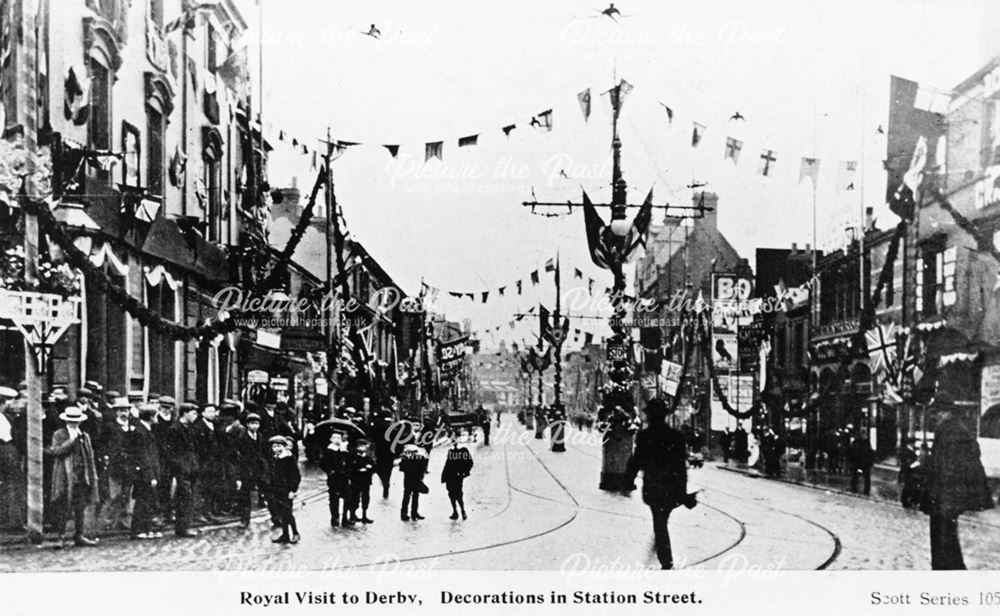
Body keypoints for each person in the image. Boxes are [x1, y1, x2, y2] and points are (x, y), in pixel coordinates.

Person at [920, 391, 994, 570]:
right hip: (949, 496)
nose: (935, 416)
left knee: (942, 538)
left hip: (946, 495)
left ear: (946, 412)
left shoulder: (949, 431)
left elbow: (947, 467)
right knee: (946, 537)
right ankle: (950, 569)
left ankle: (947, 572)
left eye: (937, 412)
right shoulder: (957, 429)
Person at [624, 399, 696, 570]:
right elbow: (681, 466)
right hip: (671, 487)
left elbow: (636, 460)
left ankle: (666, 559)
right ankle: (663, 552)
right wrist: (683, 491)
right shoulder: (676, 437)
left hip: (654, 487)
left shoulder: (644, 436)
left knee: (660, 522)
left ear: (649, 416)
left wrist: (629, 479)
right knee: (661, 521)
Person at [47, 406, 99, 548]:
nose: (74, 424)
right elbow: (57, 451)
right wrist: (71, 441)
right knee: (62, 506)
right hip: (65, 475)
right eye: (71, 421)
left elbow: (89, 457)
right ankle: (61, 537)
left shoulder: (84, 436)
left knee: (80, 507)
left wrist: (91, 476)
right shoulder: (59, 434)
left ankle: (79, 535)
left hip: (82, 475)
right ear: (66, 421)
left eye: (76, 421)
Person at [97, 397, 135, 531]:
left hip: (130, 465)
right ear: (116, 412)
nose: (124, 414)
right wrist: (105, 456)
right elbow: (101, 444)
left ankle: (125, 521)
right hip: (115, 466)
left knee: (128, 493)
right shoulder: (110, 427)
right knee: (115, 495)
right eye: (121, 411)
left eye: (126, 411)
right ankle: (108, 521)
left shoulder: (133, 426)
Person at [165, 402, 200, 538]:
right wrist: (179, 466)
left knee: (189, 497)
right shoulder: (174, 429)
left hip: (191, 467)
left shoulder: (190, 428)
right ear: (185, 413)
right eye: (193, 413)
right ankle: (182, 528)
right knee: (184, 498)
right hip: (182, 469)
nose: (195, 416)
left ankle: (185, 526)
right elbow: (171, 452)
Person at [130, 404, 163, 540]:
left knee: (148, 501)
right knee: (143, 502)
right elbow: (143, 456)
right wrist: (151, 475)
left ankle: (147, 528)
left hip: (150, 472)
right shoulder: (140, 432)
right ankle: (138, 530)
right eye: (155, 415)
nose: (157, 418)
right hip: (144, 474)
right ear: (150, 417)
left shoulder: (146, 430)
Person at [266, 436, 300, 544]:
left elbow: (296, 476)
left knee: (287, 512)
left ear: (284, 447)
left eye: (279, 446)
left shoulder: (289, 458)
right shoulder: (275, 458)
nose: (276, 448)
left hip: (287, 490)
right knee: (281, 512)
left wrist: (293, 490)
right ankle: (285, 534)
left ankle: (295, 533)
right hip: (277, 490)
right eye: (274, 446)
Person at [192, 403, 223, 522]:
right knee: (201, 488)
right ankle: (198, 513)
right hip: (203, 462)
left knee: (211, 487)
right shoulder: (198, 427)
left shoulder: (215, 425)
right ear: (203, 413)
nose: (212, 414)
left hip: (214, 462)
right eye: (209, 411)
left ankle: (208, 511)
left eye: (213, 411)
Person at [319, 431, 353, 527]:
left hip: (344, 477)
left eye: (338, 437)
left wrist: (348, 472)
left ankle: (345, 516)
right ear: (331, 439)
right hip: (334, 478)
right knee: (334, 498)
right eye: (334, 437)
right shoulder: (329, 450)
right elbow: (323, 463)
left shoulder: (344, 450)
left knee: (347, 497)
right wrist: (330, 471)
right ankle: (335, 517)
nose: (336, 439)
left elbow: (349, 463)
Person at [441, 433, 473, 520]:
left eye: (455, 439)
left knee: (458, 494)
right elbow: (447, 464)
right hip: (449, 476)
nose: (454, 441)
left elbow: (470, 462)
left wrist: (464, 472)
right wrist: (444, 476)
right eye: (452, 440)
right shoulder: (450, 451)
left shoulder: (463, 450)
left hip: (458, 476)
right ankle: (455, 511)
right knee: (451, 494)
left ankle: (463, 511)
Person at [399, 444, 429, 521]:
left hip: (409, 479)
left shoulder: (406, 459)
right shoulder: (420, 458)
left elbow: (402, 468)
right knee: (414, 496)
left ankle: (405, 513)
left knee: (408, 495)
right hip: (415, 479)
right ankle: (413, 513)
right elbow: (424, 469)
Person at [348, 439, 376, 524]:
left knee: (365, 498)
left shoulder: (368, 458)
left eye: (363, 446)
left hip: (366, 481)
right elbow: (350, 469)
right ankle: (352, 515)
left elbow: (374, 468)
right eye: (359, 446)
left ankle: (364, 515)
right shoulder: (353, 457)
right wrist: (358, 469)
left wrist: (369, 468)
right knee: (355, 498)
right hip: (356, 481)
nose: (361, 448)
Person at [847, 431, 875, 495]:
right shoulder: (867, 443)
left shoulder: (856, 442)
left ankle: (854, 488)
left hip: (858, 462)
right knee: (866, 477)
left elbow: (852, 451)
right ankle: (865, 490)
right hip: (863, 463)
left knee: (855, 476)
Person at [898, 438, 922, 509]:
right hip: (908, 471)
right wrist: (915, 464)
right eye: (913, 443)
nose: (914, 444)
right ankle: (904, 500)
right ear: (910, 443)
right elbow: (907, 463)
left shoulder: (909, 451)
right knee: (908, 486)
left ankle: (905, 500)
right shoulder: (908, 452)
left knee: (908, 486)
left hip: (908, 471)